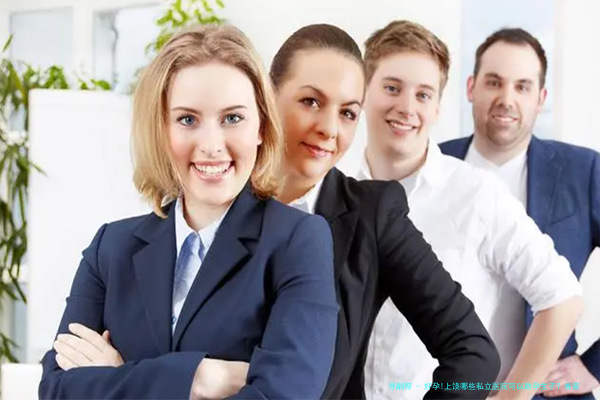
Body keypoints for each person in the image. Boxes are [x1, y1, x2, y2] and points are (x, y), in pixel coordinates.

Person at [38, 24, 339, 400]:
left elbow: (286, 394)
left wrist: (121, 376)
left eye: (232, 118)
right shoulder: (111, 248)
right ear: (162, 130)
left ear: (261, 126)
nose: (211, 145)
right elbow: (56, 390)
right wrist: (201, 378)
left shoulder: (298, 240)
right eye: (187, 120)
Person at [270, 23, 501, 400]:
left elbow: (474, 355)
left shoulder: (371, 216)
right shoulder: (218, 200)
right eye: (310, 101)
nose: (329, 128)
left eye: (348, 113)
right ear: (268, 96)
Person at [356, 20, 583, 400]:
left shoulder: (477, 194)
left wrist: (511, 397)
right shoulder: (335, 191)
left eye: (423, 94)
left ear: (438, 107)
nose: (407, 107)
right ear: (364, 91)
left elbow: (562, 298)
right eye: (392, 88)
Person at [440, 27, 600, 399]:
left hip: (547, 394)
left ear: (540, 98)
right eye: (494, 82)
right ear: (471, 87)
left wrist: (594, 367)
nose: (506, 99)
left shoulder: (584, 172)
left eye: (522, 86)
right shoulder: (433, 164)